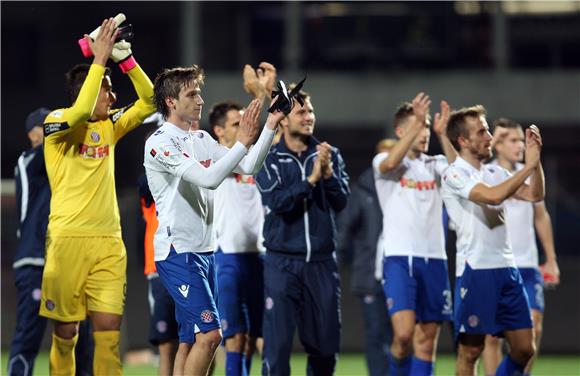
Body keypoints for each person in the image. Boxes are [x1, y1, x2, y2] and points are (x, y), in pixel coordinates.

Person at [144, 65, 283, 376]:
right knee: (211, 335)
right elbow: (208, 179)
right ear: (171, 102)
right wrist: (241, 142)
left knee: (189, 342)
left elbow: (248, 166)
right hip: (178, 251)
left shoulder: (201, 138)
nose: (200, 100)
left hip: (205, 251)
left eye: (199, 92)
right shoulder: (160, 142)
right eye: (191, 94)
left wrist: (270, 124)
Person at [39, 17, 156, 375]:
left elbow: (151, 103)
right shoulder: (56, 123)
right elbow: (78, 112)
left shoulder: (109, 125)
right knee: (66, 332)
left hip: (108, 243)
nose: (114, 95)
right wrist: (98, 62)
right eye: (108, 89)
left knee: (108, 333)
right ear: (87, 88)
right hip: (67, 241)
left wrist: (126, 62)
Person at [441, 106, 544, 376]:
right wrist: (529, 167)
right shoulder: (454, 174)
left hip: (508, 269)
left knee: (524, 349)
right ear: (463, 141)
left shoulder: (496, 172)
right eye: (482, 131)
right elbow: (492, 197)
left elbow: (534, 194)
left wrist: (536, 162)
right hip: (477, 270)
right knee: (470, 352)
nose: (489, 137)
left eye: (487, 129)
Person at [255, 86, 350, 376]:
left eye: (310, 111)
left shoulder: (327, 154)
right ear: (283, 119)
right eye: (301, 111)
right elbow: (278, 202)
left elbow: (342, 201)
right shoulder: (268, 158)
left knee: (325, 348)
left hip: (321, 264)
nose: (308, 116)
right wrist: (310, 181)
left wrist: (330, 175)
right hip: (282, 263)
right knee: (277, 347)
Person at [372, 93, 456, 376]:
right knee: (405, 335)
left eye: (426, 126)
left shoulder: (436, 164)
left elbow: (462, 175)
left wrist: (443, 135)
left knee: (427, 340)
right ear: (400, 131)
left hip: (435, 259)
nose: (424, 133)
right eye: (417, 126)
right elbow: (389, 163)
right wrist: (416, 123)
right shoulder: (386, 161)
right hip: (399, 259)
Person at [9, 109, 93, 376]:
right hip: (35, 259)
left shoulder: (65, 165)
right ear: (34, 133)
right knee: (28, 335)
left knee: (79, 334)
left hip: (67, 258)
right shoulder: (29, 160)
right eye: (50, 127)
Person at [481, 118, 560, 376]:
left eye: (521, 140)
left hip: (527, 264)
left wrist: (550, 258)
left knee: (533, 329)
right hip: (497, 264)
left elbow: (541, 215)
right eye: (513, 140)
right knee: (492, 337)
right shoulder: (486, 173)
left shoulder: (530, 172)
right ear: (498, 144)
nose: (519, 145)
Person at [210, 100, 267, 376]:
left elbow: (275, 138)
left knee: (252, 337)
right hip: (226, 255)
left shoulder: (257, 157)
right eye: (237, 123)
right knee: (233, 336)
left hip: (259, 254)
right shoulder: (215, 157)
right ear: (219, 131)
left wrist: (263, 94)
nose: (244, 126)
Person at [336, 138, 396, 376]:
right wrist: (340, 263)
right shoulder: (362, 191)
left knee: (402, 333)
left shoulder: (404, 187)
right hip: (370, 273)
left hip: (399, 270)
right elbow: (344, 230)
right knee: (376, 332)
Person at [138, 170, 179, 376]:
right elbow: (145, 183)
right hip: (159, 269)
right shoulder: (150, 185)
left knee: (201, 339)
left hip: (190, 265)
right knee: (167, 346)